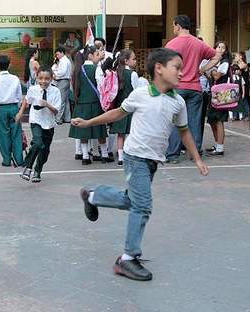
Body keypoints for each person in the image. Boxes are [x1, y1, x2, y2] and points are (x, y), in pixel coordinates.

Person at [71, 48, 209, 281]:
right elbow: (117, 113)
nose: (181, 72)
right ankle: (127, 259)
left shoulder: (178, 102)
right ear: (159, 68)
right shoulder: (141, 94)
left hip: (153, 160)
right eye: (177, 67)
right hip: (135, 157)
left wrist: (197, 158)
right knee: (143, 205)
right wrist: (88, 123)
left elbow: (184, 132)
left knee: (131, 201)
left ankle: (93, 195)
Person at [165, 15, 221, 163]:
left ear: (178, 26)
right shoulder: (198, 43)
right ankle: (194, 153)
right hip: (195, 88)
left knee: (176, 121)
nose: (173, 28)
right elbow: (216, 56)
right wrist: (202, 69)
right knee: (195, 122)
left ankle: (172, 155)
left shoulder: (171, 45)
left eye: (173, 26)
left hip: (177, 88)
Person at [16, 66, 61, 183]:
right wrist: (20, 113)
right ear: (37, 78)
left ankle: (38, 170)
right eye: (40, 78)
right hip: (36, 120)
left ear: (51, 79)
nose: (43, 81)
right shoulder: (33, 89)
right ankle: (28, 168)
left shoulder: (55, 91)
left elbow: (57, 111)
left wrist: (47, 104)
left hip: (49, 123)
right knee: (37, 143)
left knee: (45, 150)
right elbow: (27, 100)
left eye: (46, 78)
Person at [69, 46, 110, 165]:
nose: (99, 56)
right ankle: (104, 155)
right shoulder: (96, 69)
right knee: (100, 129)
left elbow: (74, 88)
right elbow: (101, 87)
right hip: (95, 103)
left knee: (83, 131)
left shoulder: (77, 70)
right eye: (97, 54)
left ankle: (85, 156)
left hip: (81, 104)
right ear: (90, 56)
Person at [0, 54, 25, 167]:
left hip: (2, 108)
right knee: (16, 133)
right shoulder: (15, 79)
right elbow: (19, 95)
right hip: (14, 107)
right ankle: (19, 159)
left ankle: (6, 160)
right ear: (9, 65)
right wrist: (18, 106)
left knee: (3, 134)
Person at [109, 49, 139, 166]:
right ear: (126, 61)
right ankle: (130, 155)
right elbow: (136, 92)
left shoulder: (116, 72)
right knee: (132, 133)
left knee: (120, 134)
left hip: (119, 107)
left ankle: (121, 158)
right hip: (131, 106)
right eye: (134, 59)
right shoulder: (133, 74)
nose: (135, 61)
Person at [205, 41, 231, 156]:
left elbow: (216, 76)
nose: (220, 49)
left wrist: (210, 69)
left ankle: (220, 147)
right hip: (214, 94)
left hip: (221, 95)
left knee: (219, 121)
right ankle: (217, 144)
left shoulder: (224, 63)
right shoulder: (216, 61)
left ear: (225, 51)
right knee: (212, 120)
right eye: (218, 47)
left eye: (223, 48)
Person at [52, 46, 73, 124]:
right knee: (66, 100)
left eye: (57, 54)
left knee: (61, 100)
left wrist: (54, 74)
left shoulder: (64, 61)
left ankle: (58, 119)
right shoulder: (65, 60)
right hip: (65, 81)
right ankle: (67, 118)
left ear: (62, 52)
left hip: (62, 81)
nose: (57, 56)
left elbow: (62, 72)